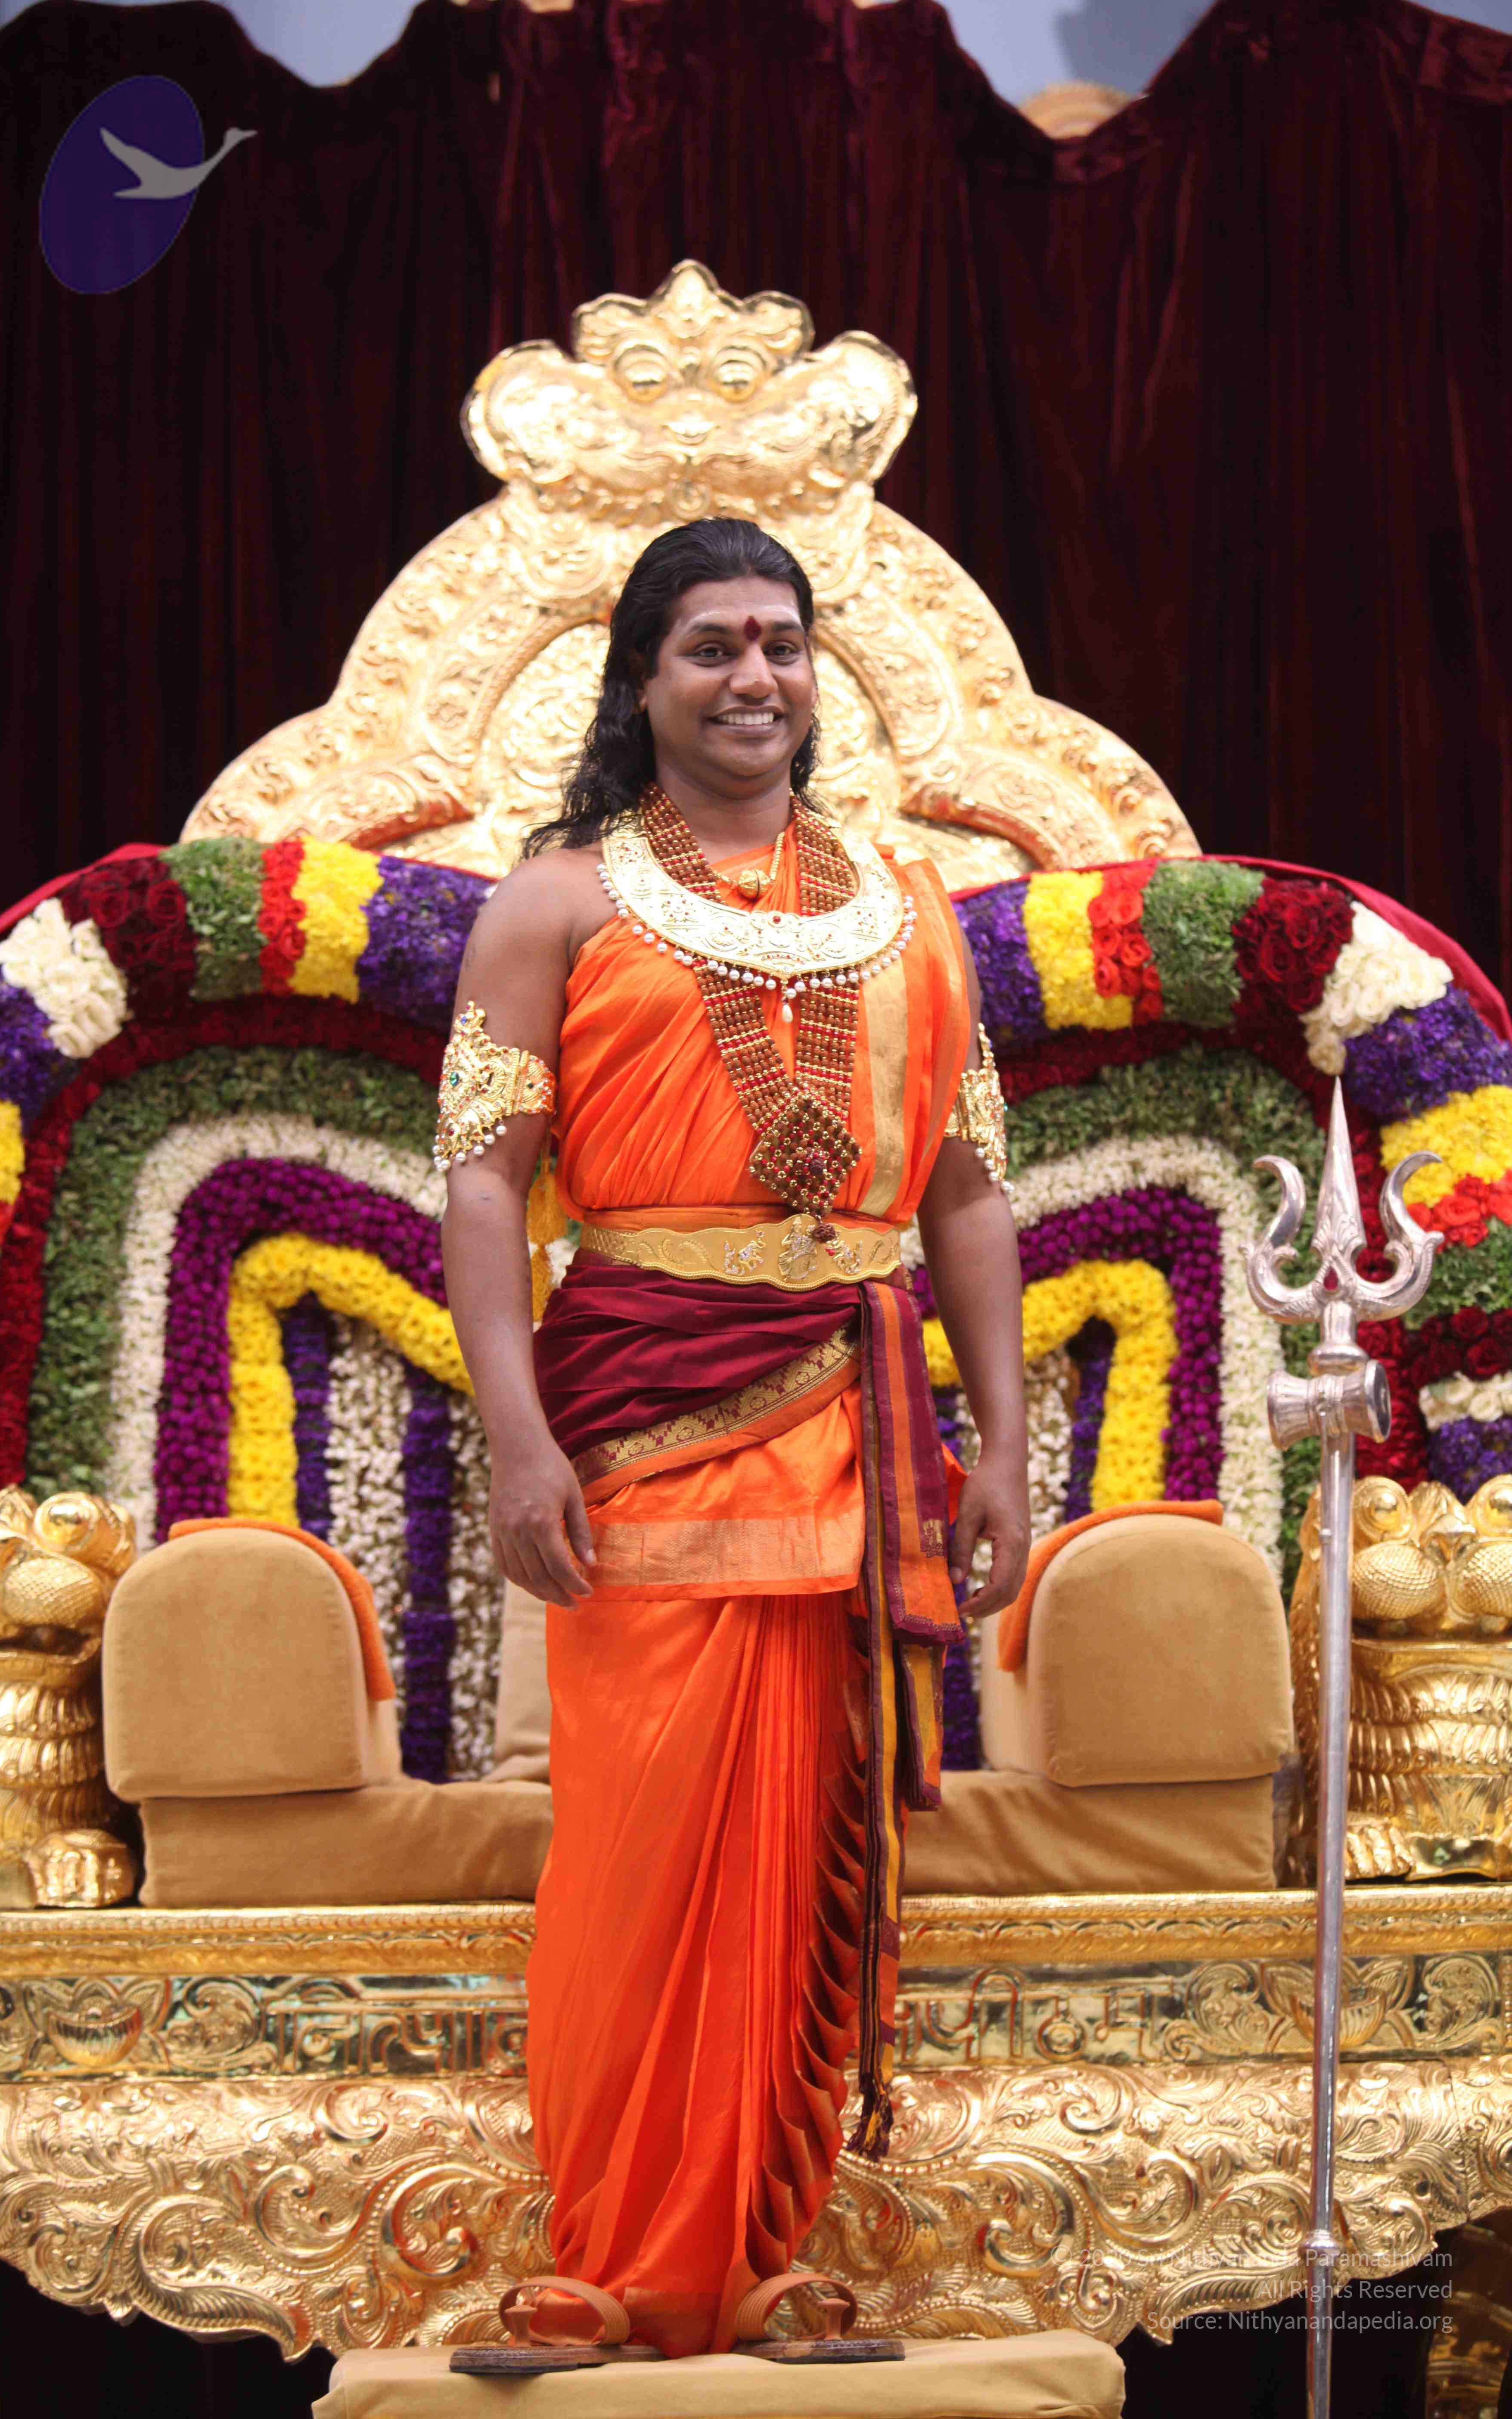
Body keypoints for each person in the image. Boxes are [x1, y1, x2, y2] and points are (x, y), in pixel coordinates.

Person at [437, 517, 1028, 2366]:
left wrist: (1007, 1445)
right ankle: (603, 2264)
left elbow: (967, 1192)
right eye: (710, 646)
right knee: (639, 1849)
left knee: (798, 1850)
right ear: (641, 682)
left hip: (858, 1417)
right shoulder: (554, 906)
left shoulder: (910, 905)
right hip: (639, 1416)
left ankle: (767, 2256)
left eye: (781, 641)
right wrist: (517, 1440)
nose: (753, 676)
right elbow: (483, 1185)